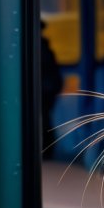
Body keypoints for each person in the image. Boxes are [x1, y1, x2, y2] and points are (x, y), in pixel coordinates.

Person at [40, 21, 62, 158]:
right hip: (49, 89)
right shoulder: (47, 48)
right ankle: (47, 150)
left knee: (43, 120)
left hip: (43, 90)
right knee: (46, 119)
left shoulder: (38, 47)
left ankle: (46, 150)